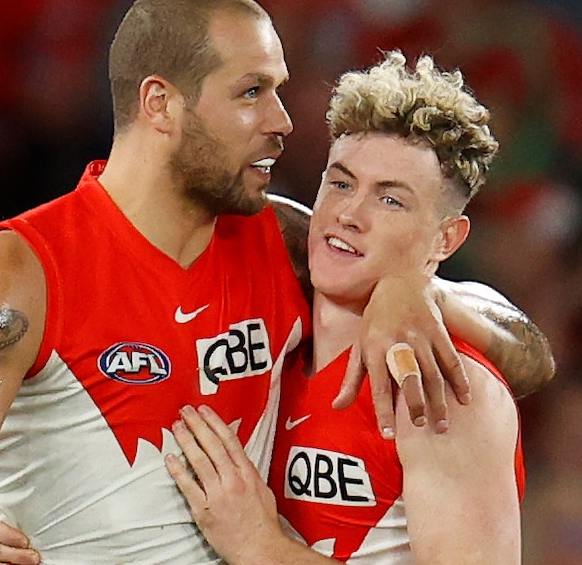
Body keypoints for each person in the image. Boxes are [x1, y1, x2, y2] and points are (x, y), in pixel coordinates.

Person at [0, 0, 553, 564]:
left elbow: (530, 356)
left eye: (279, 91)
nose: (282, 121)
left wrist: (420, 288)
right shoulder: (18, 269)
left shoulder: (280, 240)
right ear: (160, 104)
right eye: (252, 92)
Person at [166, 51, 530, 564]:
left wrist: (259, 547)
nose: (348, 214)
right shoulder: (265, 349)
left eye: (390, 200)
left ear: (446, 239)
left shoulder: (440, 389)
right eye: (340, 183)